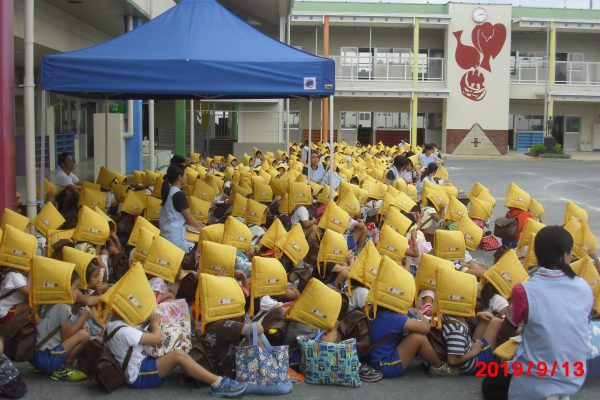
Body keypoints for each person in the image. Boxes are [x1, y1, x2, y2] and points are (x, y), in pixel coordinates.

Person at [507, 226, 593, 399]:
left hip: (536, 379)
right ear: (565, 256)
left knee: (491, 385)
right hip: (574, 374)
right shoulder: (583, 286)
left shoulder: (524, 290)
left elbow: (514, 321)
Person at [105, 312, 247, 395]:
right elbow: (156, 339)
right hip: (138, 374)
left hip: (140, 362)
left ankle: (199, 374)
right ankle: (218, 383)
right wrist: (155, 322)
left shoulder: (112, 324)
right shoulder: (125, 332)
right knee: (178, 356)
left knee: (176, 349)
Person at [369, 306, 457, 378]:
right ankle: (439, 367)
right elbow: (425, 328)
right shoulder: (394, 317)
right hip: (385, 366)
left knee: (411, 333)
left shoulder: (378, 310)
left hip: (374, 358)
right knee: (418, 337)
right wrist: (420, 315)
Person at [34, 271, 91, 381]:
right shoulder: (63, 307)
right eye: (75, 288)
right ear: (64, 289)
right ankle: (62, 369)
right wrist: (83, 318)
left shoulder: (50, 301)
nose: (78, 293)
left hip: (39, 357)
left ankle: (57, 367)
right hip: (48, 359)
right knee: (84, 335)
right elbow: (67, 336)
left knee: (82, 332)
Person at [159, 163, 205, 254]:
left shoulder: (169, 191)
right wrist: (207, 230)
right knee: (202, 251)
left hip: (166, 237)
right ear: (179, 177)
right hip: (176, 241)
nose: (187, 177)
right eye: (185, 175)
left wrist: (203, 226)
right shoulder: (178, 194)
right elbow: (189, 219)